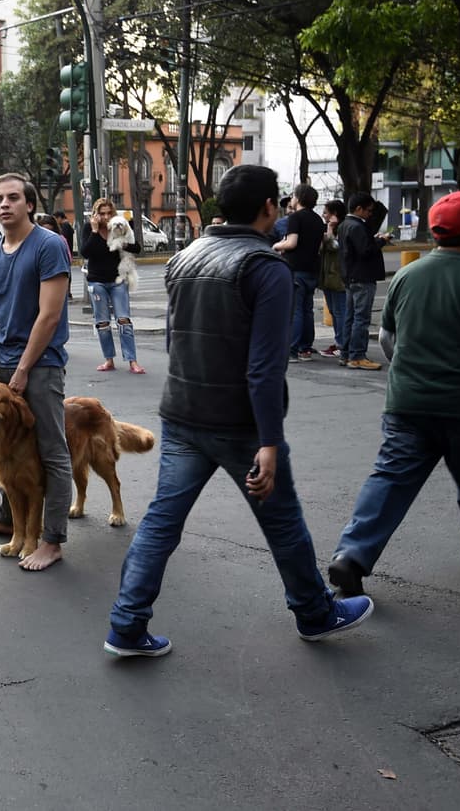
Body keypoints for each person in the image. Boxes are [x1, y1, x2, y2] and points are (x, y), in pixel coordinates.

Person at [104, 165, 374, 658]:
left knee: (162, 522)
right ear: (269, 207)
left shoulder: (184, 257)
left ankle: (126, 625)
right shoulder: (265, 267)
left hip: (183, 412)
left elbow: (173, 341)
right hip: (240, 424)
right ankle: (315, 613)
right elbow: (264, 368)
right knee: (283, 522)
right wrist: (269, 441)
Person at [328, 191, 460, 597]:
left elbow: (388, 338)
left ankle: (351, 556)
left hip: (407, 402)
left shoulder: (408, 276)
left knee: (390, 479)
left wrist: (410, 371)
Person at [0, 174, 72, 572]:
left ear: (29, 204)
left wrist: (24, 369)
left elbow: (49, 316)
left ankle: (51, 539)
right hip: (4, 365)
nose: (4, 205)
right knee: (4, 449)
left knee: (52, 452)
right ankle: (8, 520)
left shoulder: (49, 245)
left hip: (41, 364)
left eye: (13, 198)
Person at [80, 197, 145, 375]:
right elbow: (85, 252)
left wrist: (121, 242)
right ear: (96, 214)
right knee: (102, 323)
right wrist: (94, 231)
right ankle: (108, 359)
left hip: (117, 280)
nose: (106, 217)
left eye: (109, 213)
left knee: (124, 320)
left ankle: (133, 361)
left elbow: (137, 248)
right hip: (96, 281)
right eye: (102, 213)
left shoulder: (120, 226)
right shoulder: (89, 228)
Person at [272, 184, 324, 362]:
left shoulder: (295, 218)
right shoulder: (318, 220)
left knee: (296, 310)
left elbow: (292, 242)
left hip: (296, 268)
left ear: (299, 198)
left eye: (294, 196)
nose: (292, 199)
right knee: (307, 310)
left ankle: (292, 350)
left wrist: (277, 245)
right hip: (312, 269)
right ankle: (305, 349)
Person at [336, 193, 386, 371]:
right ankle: (357, 356)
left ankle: (346, 353)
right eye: (369, 210)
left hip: (350, 276)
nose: (371, 214)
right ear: (359, 209)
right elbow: (365, 251)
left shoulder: (344, 225)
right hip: (363, 277)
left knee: (350, 317)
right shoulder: (357, 226)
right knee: (361, 318)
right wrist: (381, 241)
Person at [318, 200, 348, 359]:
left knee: (340, 312)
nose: (324, 215)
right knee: (335, 312)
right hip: (328, 279)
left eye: (326, 212)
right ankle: (339, 343)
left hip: (338, 280)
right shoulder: (331, 230)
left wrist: (329, 229)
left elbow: (334, 246)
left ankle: (342, 345)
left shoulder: (342, 229)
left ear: (335, 215)